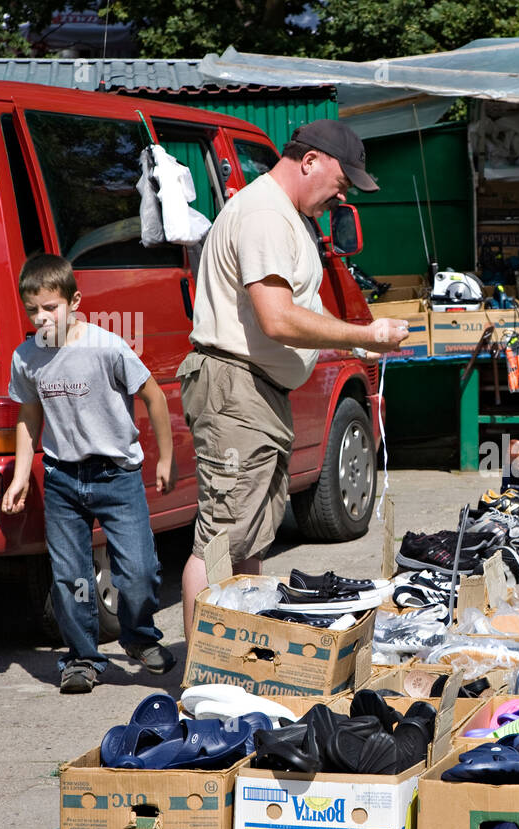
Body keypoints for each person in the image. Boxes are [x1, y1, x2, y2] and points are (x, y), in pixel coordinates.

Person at [177, 121, 407, 638]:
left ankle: (235, 657)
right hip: (235, 387)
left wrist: (357, 336)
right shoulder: (264, 215)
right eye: (341, 181)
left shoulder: (294, 217)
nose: (342, 193)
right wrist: (366, 335)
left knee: (250, 539)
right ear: (310, 162)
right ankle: (202, 678)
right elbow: (278, 319)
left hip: (256, 390)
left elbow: (305, 307)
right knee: (221, 539)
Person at [2, 254, 176, 693]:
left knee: (139, 572)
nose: (42, 318)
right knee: (71, 578)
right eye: (33, 310)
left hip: (116, 475)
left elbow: (154, 397)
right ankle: (82, 658)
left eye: (51, 307)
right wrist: (23, 475)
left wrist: (166, 458)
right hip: (62, 479)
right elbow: (27, 417)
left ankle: (138, 637)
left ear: (74, 301)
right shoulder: (26, 358)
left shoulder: (107, 347)